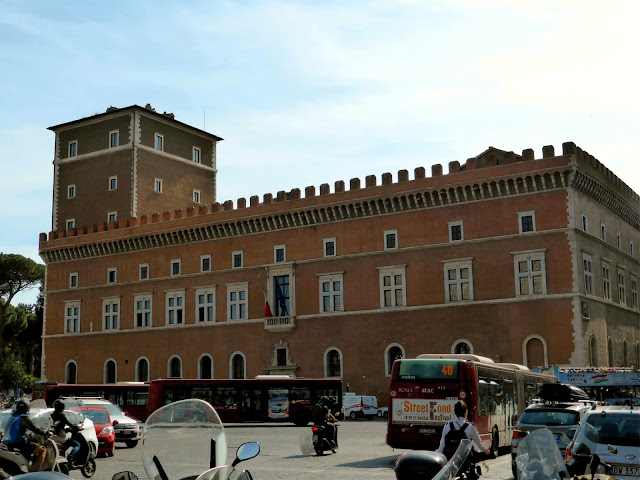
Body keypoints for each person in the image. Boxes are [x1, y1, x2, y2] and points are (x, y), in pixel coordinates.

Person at [1, 399, 49, 471]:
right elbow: (35, 429)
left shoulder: (13, 416)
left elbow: (17, 430)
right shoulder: (23, 418)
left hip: (7, 443)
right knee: (42, 450)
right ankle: (37, 473)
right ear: (27, 408)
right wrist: (45, 432)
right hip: (19, 444)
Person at [50, 399, 81, 463]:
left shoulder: (52, 415)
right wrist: (78, 428)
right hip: (61, 436)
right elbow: (69, 423)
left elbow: (57, 426)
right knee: (77, 445)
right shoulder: (61, 415)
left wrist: (67, 429)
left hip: (55, 435)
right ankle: (70, 457)